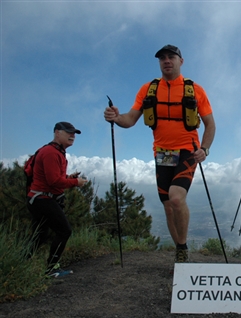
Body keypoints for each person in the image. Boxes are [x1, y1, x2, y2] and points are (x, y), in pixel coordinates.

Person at [104, 44, 215, 263]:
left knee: (175, 197)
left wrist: (204, 149)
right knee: (168, 206)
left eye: (171, 57)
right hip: (162, 153)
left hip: (187, 152)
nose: (166, 61)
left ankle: (182, 246)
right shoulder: (148, 89)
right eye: (162, 58)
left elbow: (210, 124)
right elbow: (130, 119)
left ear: (180, 61)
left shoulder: (195, 90)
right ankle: (179, 249)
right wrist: (116, 118)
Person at [27, 121, 88, 277]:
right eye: (68, 132)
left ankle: (20, 263)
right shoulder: (51, 153)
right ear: (57, 133)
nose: (72, 136)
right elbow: (53, 182)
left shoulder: (55, 152)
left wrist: (68, 177)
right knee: (64, 231)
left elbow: (53, 179)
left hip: (38, 198)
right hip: (43, 200)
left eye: (74, 133)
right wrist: (76, 182)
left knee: (39, 235)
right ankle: (51, 269)